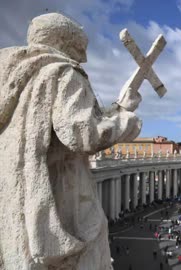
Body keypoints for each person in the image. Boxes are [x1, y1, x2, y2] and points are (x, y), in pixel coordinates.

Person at [0, 13, 142, 269]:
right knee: (89, 244)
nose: (84, 58)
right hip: (62, 192)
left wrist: (118, 107)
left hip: (16, 194)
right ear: (64, 42)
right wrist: (128, 121)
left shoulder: (13, 77)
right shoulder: (62, 73)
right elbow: (85, 134)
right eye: (79, 49)